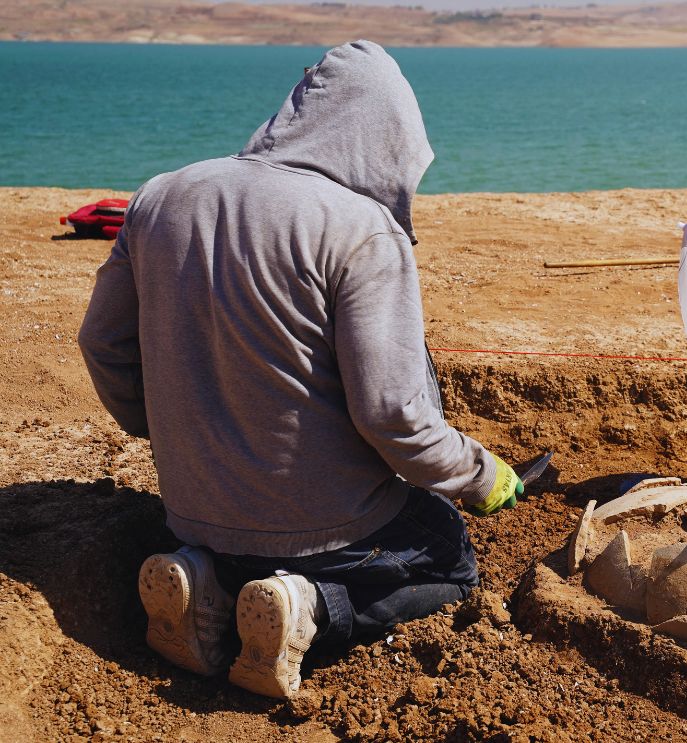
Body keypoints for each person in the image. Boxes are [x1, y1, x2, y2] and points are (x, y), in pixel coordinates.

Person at [78, 40, 523, 699]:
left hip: (192, 515)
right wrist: (481, 475)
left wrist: (159, 427)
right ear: (384, 139)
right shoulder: (360, 231)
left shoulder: (161, 197)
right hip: (328, 531)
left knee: (233, 547)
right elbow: (392, 415)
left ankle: (205, 580)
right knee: (450, 558)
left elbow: (101, 343)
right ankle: (314, 607)